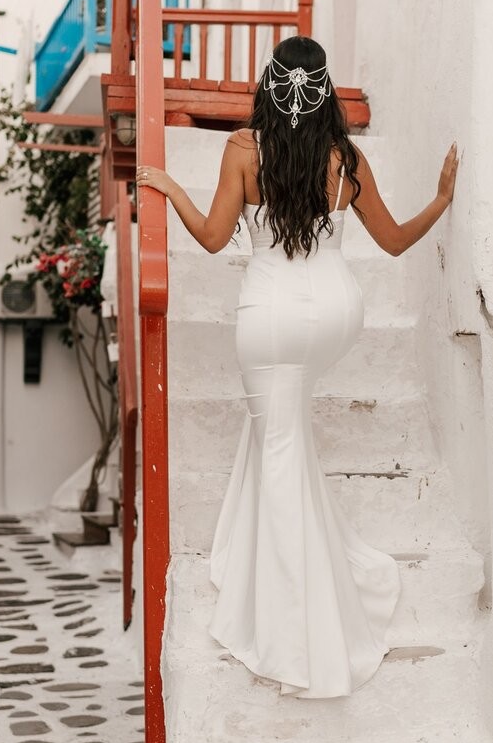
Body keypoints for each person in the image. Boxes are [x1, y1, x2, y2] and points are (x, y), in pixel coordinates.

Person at [136, 35, 460, 698]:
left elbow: (213, 238)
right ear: (324, 91)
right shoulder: (345, 157)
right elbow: (395, 242)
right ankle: (284, 568)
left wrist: (169, 188)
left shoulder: (243, 149)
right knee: (283, 436)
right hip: (336, 313)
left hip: (274, 316)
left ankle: (295, 640)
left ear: (270, 84)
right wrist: (440, 200)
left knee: (279, 445)